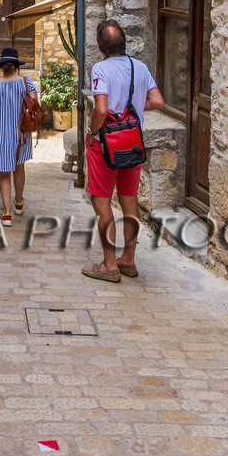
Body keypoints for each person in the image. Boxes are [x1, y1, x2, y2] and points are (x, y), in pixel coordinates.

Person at [83, 20, 164, 282]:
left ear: (100, 46)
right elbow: (158, 101)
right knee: (129, 200)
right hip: (132, 141)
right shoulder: (139, 67)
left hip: (106, 143)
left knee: (102, 201)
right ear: (124, 42)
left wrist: (93, 133)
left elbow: (102, 109)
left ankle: (109, 265)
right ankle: (128, 259)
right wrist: (134, 109)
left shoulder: (100, 69)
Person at [0, 47, 37, 227]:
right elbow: (35, 106)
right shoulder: (27, 83)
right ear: (17, 66)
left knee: (4, 172)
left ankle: (6, 213)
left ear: (2, 66)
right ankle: (18, 203)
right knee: (19, 167)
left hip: (1, 134)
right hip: (21, 131)